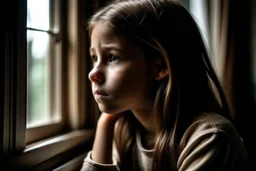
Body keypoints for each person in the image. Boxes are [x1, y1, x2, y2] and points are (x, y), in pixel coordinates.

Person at [81, 0, 252, 170]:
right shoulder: (125, 130)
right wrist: (105, 123)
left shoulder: (210, 138)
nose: (92, 74)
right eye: (95, 58)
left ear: (160, 66)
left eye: (112, 57)